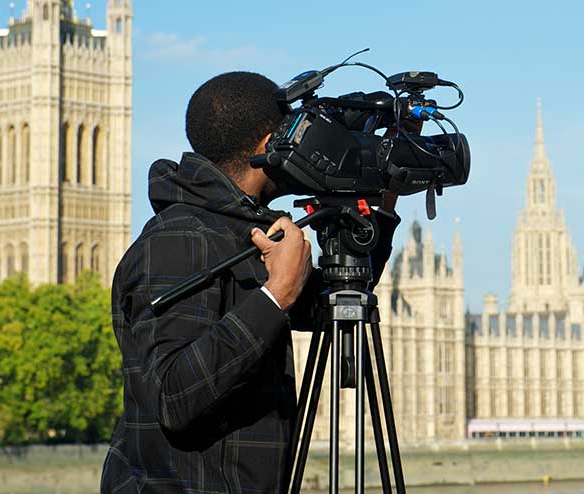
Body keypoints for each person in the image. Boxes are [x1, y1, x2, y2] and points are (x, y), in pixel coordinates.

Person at [100, 72, 399, 494]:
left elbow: (328, 304)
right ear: (268, 145)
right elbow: (172, 395)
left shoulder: (244, 231)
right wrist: (275, 295)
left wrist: (382, 191)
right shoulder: (178, 238)